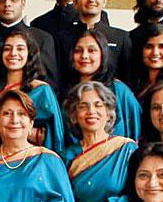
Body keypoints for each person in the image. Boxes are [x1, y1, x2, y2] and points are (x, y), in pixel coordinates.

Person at [60, 27, 141, 155]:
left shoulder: (118, 90)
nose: (84, 56)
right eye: (78, 51)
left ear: (103, 54)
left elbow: (136, 131)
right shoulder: (65, 94)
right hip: (74, 165)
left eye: (91, 50)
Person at [0, 28, 64, 157]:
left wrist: (31, 133)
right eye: (7, 49)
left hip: (31, 159)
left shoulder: (41, 91)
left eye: (20, 49)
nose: (13, 53)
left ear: (30, 53)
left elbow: (54, 133)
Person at [55, 0, 131, 86]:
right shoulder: (61, 37)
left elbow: (127, 76)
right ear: (75, 2)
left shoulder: (120, 37)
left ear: (105, 1)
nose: (91, 0)